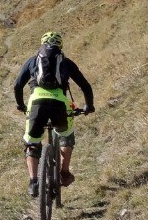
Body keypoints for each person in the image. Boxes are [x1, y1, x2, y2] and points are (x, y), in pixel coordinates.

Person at [14, 31, 94, 197]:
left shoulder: (33, 61)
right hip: (60, 104)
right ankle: (64, 173)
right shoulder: (66, 62)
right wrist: (88, 106)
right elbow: (85, 86)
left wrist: (21, 105)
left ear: (41, 44)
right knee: (66, 136)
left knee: (32, 143)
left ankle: (34, 182)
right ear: (60, 46)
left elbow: (17, 86)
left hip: (36, 103)